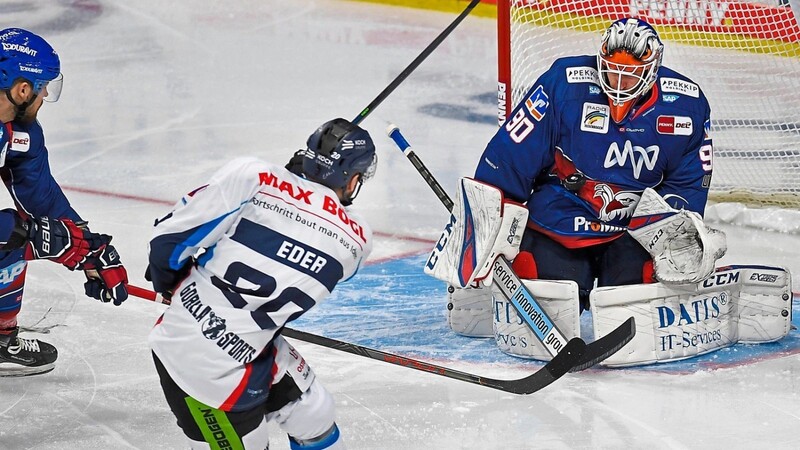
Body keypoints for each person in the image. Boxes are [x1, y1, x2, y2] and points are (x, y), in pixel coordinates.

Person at [429, 18, 725, 347]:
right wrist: (490, 222)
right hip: (560, 221)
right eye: (612, 71)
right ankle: (494, 295)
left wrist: (678, 233)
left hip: (632, 233)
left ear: (652, 70)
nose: (619, 82)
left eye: (630, 74)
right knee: (540, 300)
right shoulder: (564, 86)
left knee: (639, 319)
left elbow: (686, 187)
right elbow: (511, 156)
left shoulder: (688, 106)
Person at [147, 118, 377, 449]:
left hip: (203, 338)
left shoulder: (252, 176)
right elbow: (311, 227)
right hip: (208, 371)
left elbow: (168, 242)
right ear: (353, 179)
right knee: (315, 414)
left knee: (314, 415)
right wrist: (303, 189)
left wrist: (169, 284)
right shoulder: (357, 240)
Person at [0, 28, 129, 376]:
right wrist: (41, 239)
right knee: (13, 233)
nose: (43, 98)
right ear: (22, 89)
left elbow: (39, 193)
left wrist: (86, 246)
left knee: (16, 234)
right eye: (42, 89)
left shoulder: (16, 130)